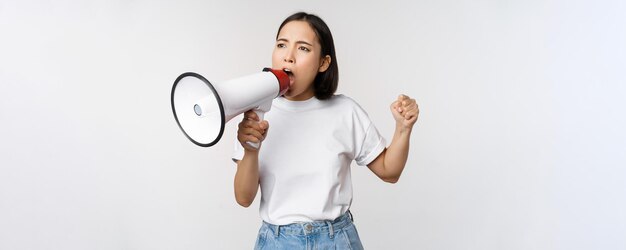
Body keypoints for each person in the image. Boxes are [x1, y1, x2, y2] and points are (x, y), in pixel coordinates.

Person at [232, 12, 419, 250]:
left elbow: (389, 171)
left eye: (303, 49)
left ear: (323, 63)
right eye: (281, 45)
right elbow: (243, 198)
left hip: (337, 241)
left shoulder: (345, 111)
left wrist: (403, 128)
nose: (288, 57)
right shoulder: (257, 113)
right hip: (277, 243)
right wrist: (251, 149)